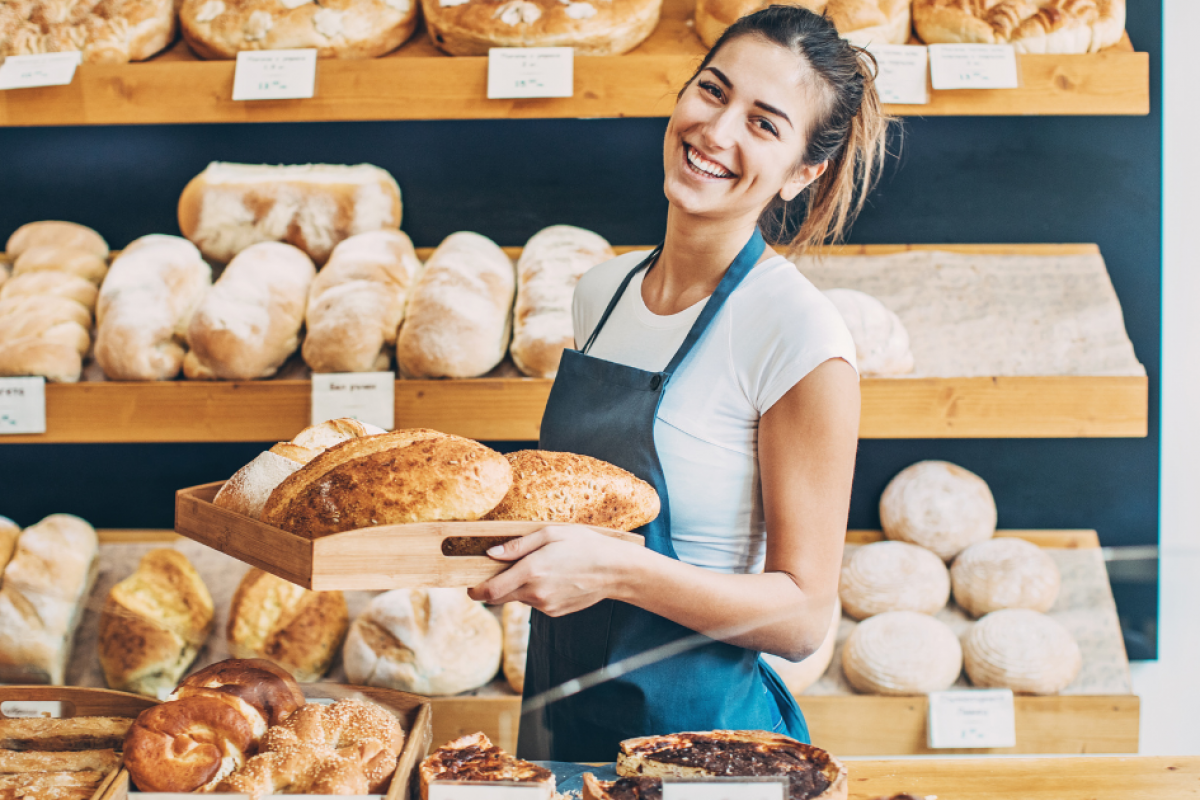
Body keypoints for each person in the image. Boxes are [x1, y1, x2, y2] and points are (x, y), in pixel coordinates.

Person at [470, 4, 891, 761]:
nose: (718, 132)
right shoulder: (598, 293)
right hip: (564, 723)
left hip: (709, 752)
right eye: (712, 91)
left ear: (804, 171)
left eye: (764, 124)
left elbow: (802, 617)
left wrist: (616, 569)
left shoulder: (799, 335)